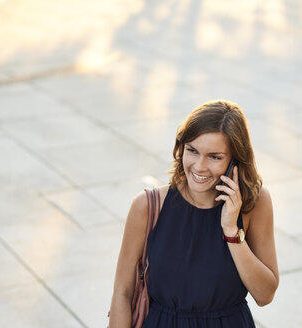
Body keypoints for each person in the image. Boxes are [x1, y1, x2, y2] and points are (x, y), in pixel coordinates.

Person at [109, 100, 279, 327]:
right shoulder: (147, 207)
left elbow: (264, 295)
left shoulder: (254, 203)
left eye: (215, 157)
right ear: (181, 149)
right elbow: (122, 292)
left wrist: (232, 232)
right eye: (192, 151)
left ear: (235, 161)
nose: (199, 166)